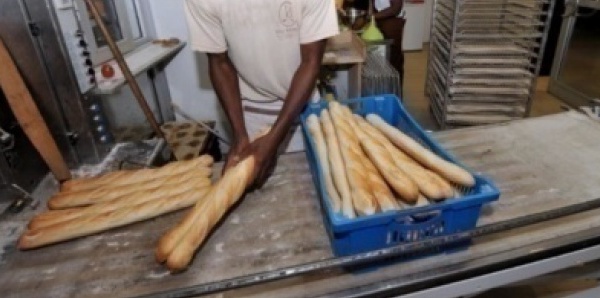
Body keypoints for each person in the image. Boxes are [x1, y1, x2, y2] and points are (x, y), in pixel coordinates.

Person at [184, 0, 339, 188]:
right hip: (249, 113)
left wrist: (274, 139)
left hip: (303, 109)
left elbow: (310, 63)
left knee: (309, 189)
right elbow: (219, 62)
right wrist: (240, 136)